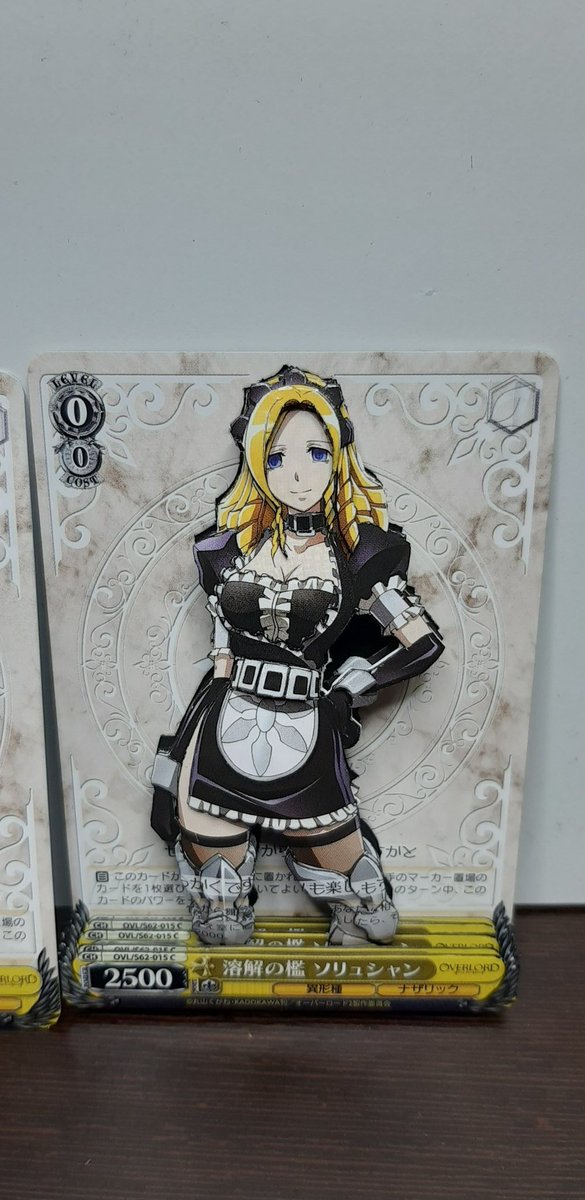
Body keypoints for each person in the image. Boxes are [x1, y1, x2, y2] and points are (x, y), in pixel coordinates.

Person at [151, 366, 443, 946]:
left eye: (316, 452)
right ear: (256, 462)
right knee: (219, 889)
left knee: (365, 904)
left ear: (339, 457)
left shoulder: (361, 554)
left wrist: (356, 682)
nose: (299, 474)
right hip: (225, 716)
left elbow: (423, 642)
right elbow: (222, 649)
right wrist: (184, 742)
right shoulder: (222, 549)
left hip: (307, 722)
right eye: (278, 457)